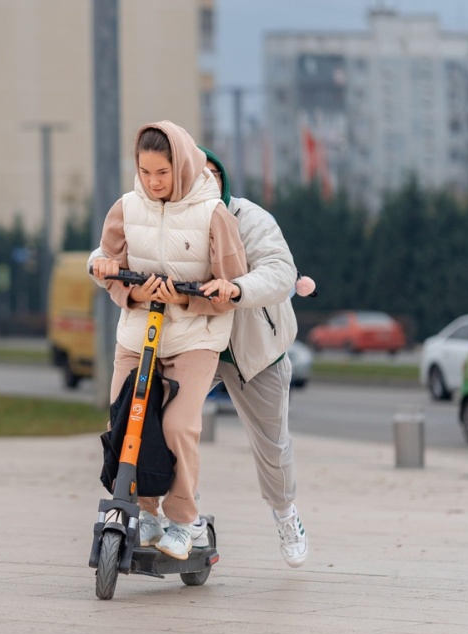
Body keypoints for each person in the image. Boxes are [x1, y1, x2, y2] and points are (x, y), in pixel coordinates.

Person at [90, 120, 248, 561]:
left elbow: (231, 287)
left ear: (181, 166)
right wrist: (129, 289)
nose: (153, 182)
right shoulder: (126, 207)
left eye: (162, 172)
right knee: (126, 424)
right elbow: (109, 264)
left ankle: (184, 521)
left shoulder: (212, 213)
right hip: (139, 335)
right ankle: (146, 513)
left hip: (194, 338)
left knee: (177, 427)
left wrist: (184, 296)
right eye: (145, 172)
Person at [200, 145, 310, 568]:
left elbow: (281, 271)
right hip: (198, 344)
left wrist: (238, 289)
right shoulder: (174, 221)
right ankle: (181, 516)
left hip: (257, 350)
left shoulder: (251, 218)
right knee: (167, 425)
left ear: (223, 177)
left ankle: (286, 515)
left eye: (212, 173)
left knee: (272, 444)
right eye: (197, 173)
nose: (205, 180)